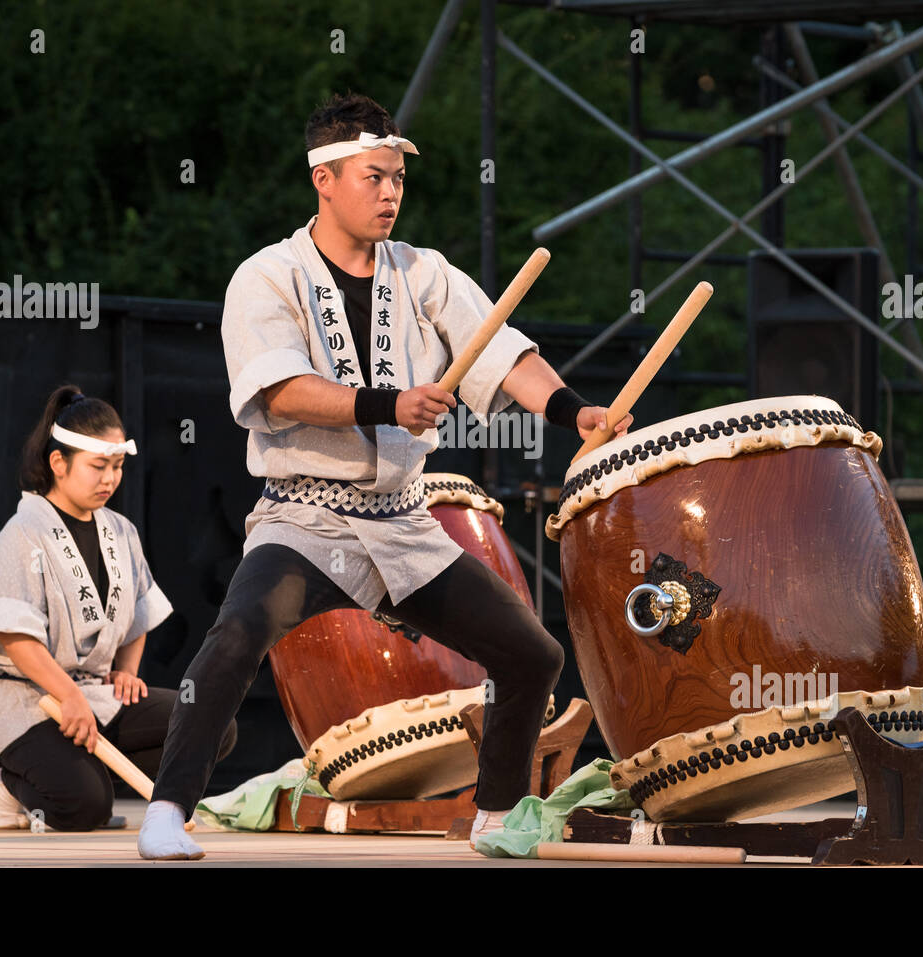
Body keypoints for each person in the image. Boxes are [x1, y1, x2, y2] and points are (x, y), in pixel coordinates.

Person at [138, 92, 630, 860]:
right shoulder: (268, 277)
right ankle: (168, 808)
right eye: (374, 176)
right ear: (324, 179)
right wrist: (389, 403)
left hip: (402, 524)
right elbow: (280, 391)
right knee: (238, 633)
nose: (391, 192)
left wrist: (575, 413)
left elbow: (503, 354)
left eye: (399, 177)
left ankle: (496, 814)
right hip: (306, 520)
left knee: (533, 654)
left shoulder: (424, 273)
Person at [0, 384, 237, 832]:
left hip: (94, 697)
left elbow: (139, 612)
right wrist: (68, 696)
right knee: (83, 810)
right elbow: (15, 638)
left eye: (118, 466)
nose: (109, 479)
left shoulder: (121, 531)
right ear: (58, 464)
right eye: (98, 466)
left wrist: (126, 669)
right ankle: (7, 777)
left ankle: (77, 770)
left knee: (212, 723)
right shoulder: (23, 533)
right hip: (28, 701)